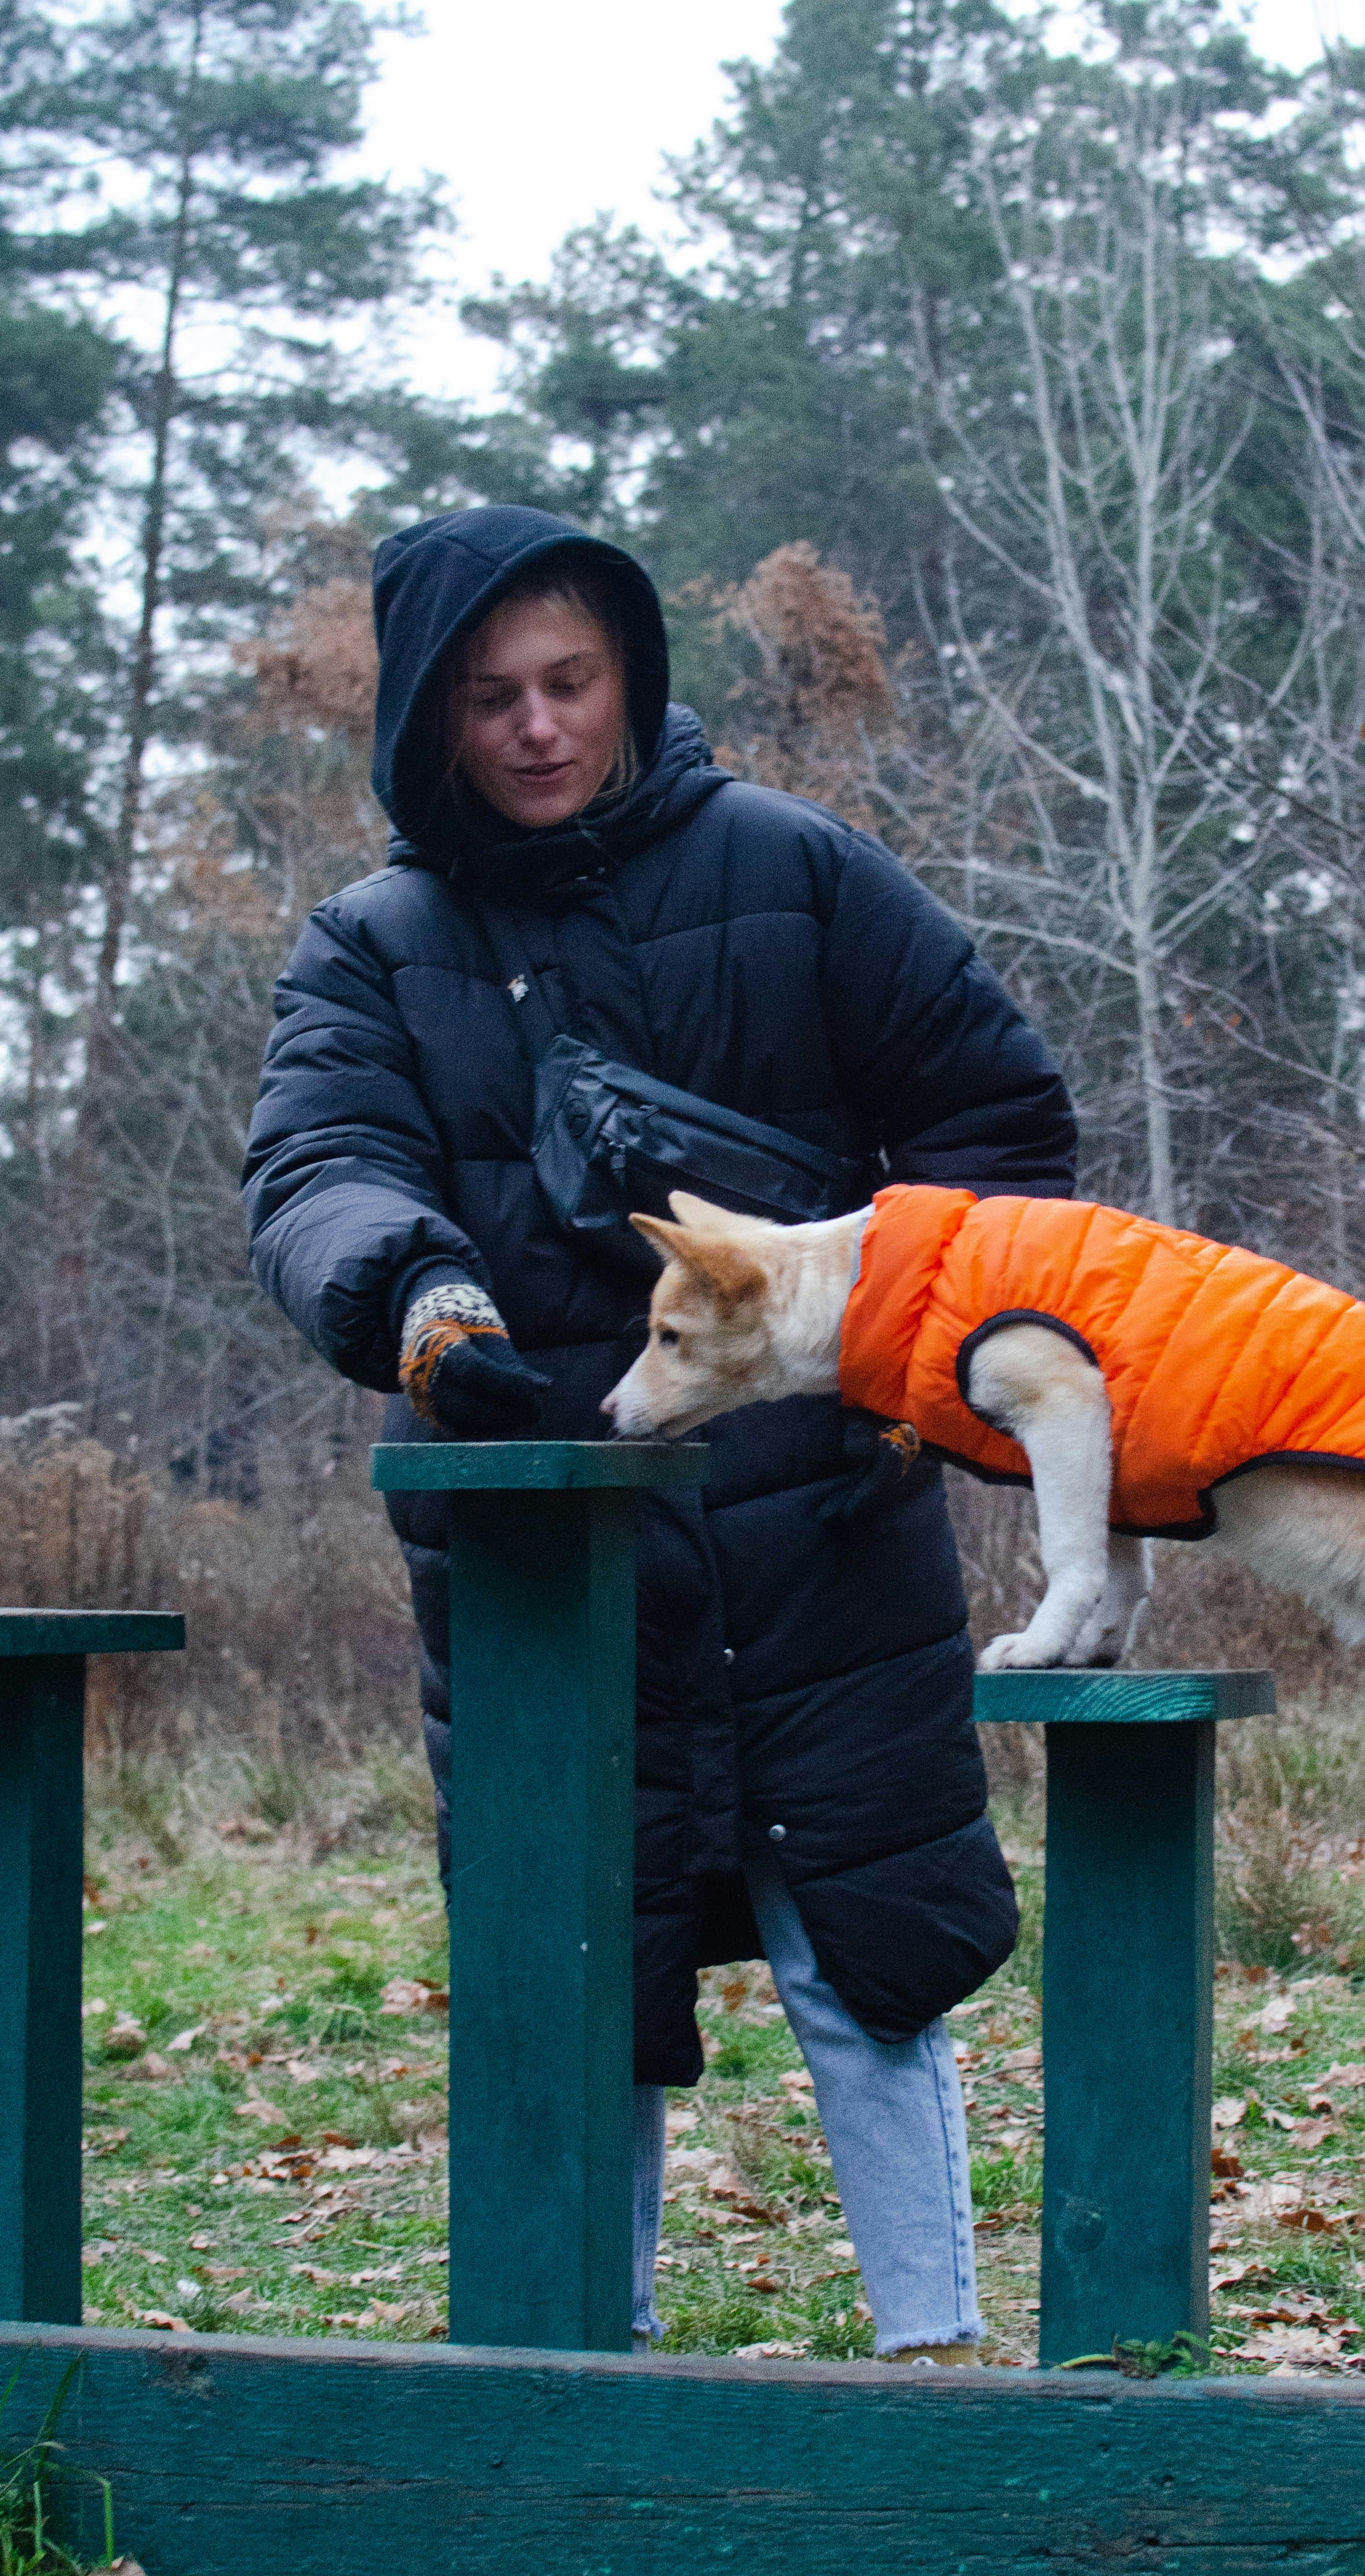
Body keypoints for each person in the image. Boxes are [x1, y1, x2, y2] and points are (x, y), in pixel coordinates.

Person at [243, 505, 1076, 2360]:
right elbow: (318, 1166)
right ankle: (571, 2385)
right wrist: (415, 1300)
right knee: (577, 1978)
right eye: (489, 698)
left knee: (863, 1958)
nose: (537, 727)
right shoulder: (372, 946)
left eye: (569, 683)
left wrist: (916, 1377)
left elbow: (996, 1128)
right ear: (428, 723)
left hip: (823, 1512)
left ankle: (931, 2369)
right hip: (542, 1546)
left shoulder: (799, 868)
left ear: (627, 678)